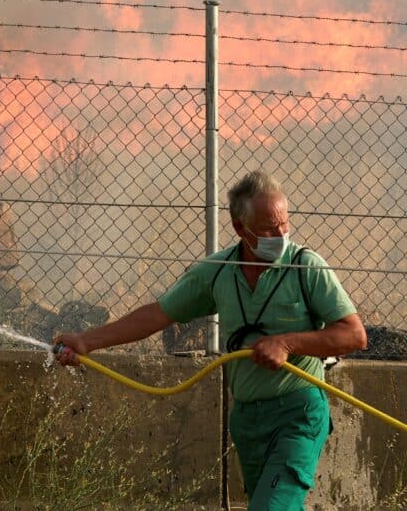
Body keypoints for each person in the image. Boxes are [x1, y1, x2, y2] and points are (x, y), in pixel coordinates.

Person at [54, 170, 367, 511]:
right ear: (239, 228)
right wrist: (87, 341)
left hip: (299, 412)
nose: (280, 235)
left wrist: (287, 343)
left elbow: (353, 335)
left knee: (271, 506)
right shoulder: (217, 271)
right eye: (266, 230)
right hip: (247, 419)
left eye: (284, 225)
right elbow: (158, 314)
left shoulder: (306, 267)